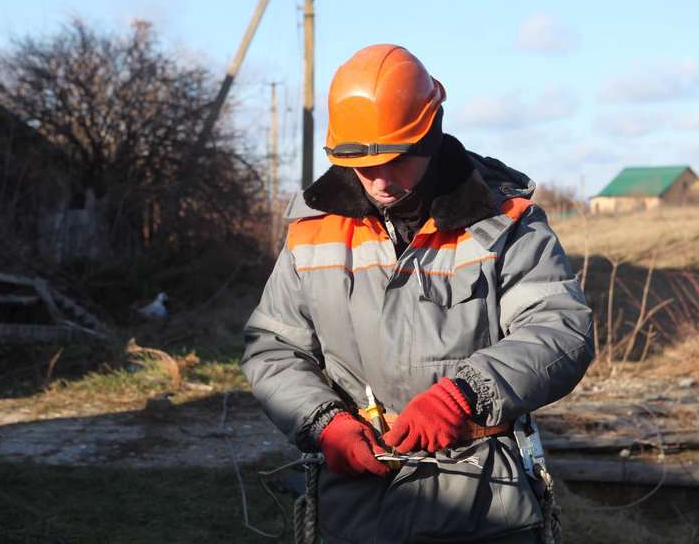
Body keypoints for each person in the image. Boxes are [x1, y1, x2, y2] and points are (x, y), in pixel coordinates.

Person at [242, 44, 593, 544]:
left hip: (483, 504)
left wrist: (465, 395)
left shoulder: (505, 219)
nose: (381, 180)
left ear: (430, 134)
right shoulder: (313, 231)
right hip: (354, 509)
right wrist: (323, 423)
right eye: (363, 163)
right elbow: (273, 348)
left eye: (397, 160)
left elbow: (561, 328)